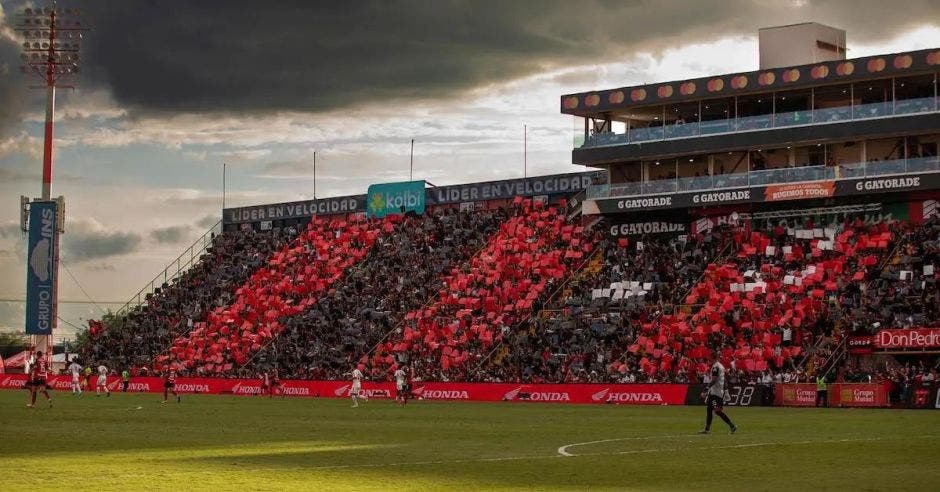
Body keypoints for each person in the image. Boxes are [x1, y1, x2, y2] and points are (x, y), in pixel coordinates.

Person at [700, 360, 737, 434]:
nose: (708, 361)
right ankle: (707, 429)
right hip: (718, 392)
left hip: (715, 393)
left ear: (712, 358)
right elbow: (725, 379)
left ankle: (732, 426)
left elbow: (714, 380)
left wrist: (706, 389)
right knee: (709, 409)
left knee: (717, 411)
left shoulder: (715, 367)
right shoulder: (721, 366)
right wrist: (725, 390)